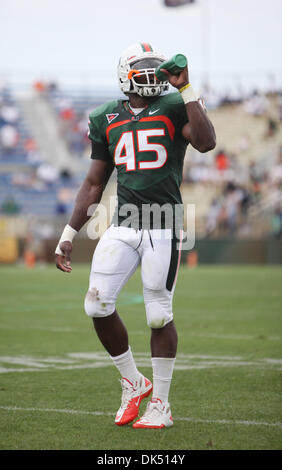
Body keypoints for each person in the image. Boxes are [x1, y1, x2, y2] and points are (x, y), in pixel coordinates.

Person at [55, 42, 216, 428]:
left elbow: (207, 142)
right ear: (125, 73)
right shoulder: (104, 116)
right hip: (123, 224)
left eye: (154, 66)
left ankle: (160, 403)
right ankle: (132, 379)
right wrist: (68, 233)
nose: (151, 73)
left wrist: (187, 88)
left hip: (164, 224)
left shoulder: (177, 105)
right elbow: (94, 183)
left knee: (159, 315)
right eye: (143, 66)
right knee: (96, 304)